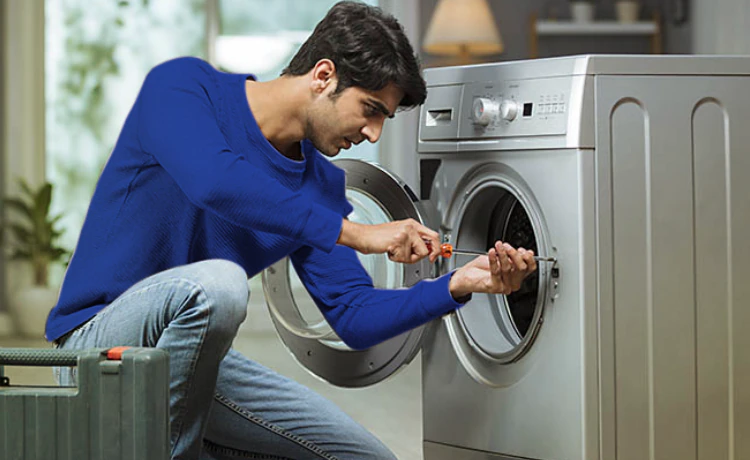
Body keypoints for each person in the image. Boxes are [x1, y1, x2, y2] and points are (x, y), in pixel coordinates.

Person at [47, 2, 537, 459]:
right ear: (323, 76)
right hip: (97, 338)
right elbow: (213, 182)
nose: (373, 135)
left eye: (384, 119)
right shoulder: (182, 88)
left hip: (191, 363)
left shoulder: (319, 187)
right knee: (218, 284)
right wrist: (356, 233)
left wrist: (456, 285)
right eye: (371, 110)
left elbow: (354, 315)